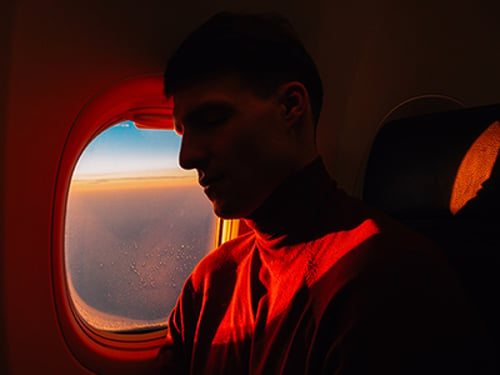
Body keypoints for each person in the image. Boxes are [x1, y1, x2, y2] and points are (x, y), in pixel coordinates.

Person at [155, 12, 494, 374]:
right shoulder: (209, 284)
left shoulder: (384, 278)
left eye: (211, 120)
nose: (186, 157)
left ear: (290, 107)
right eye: (181, 133)